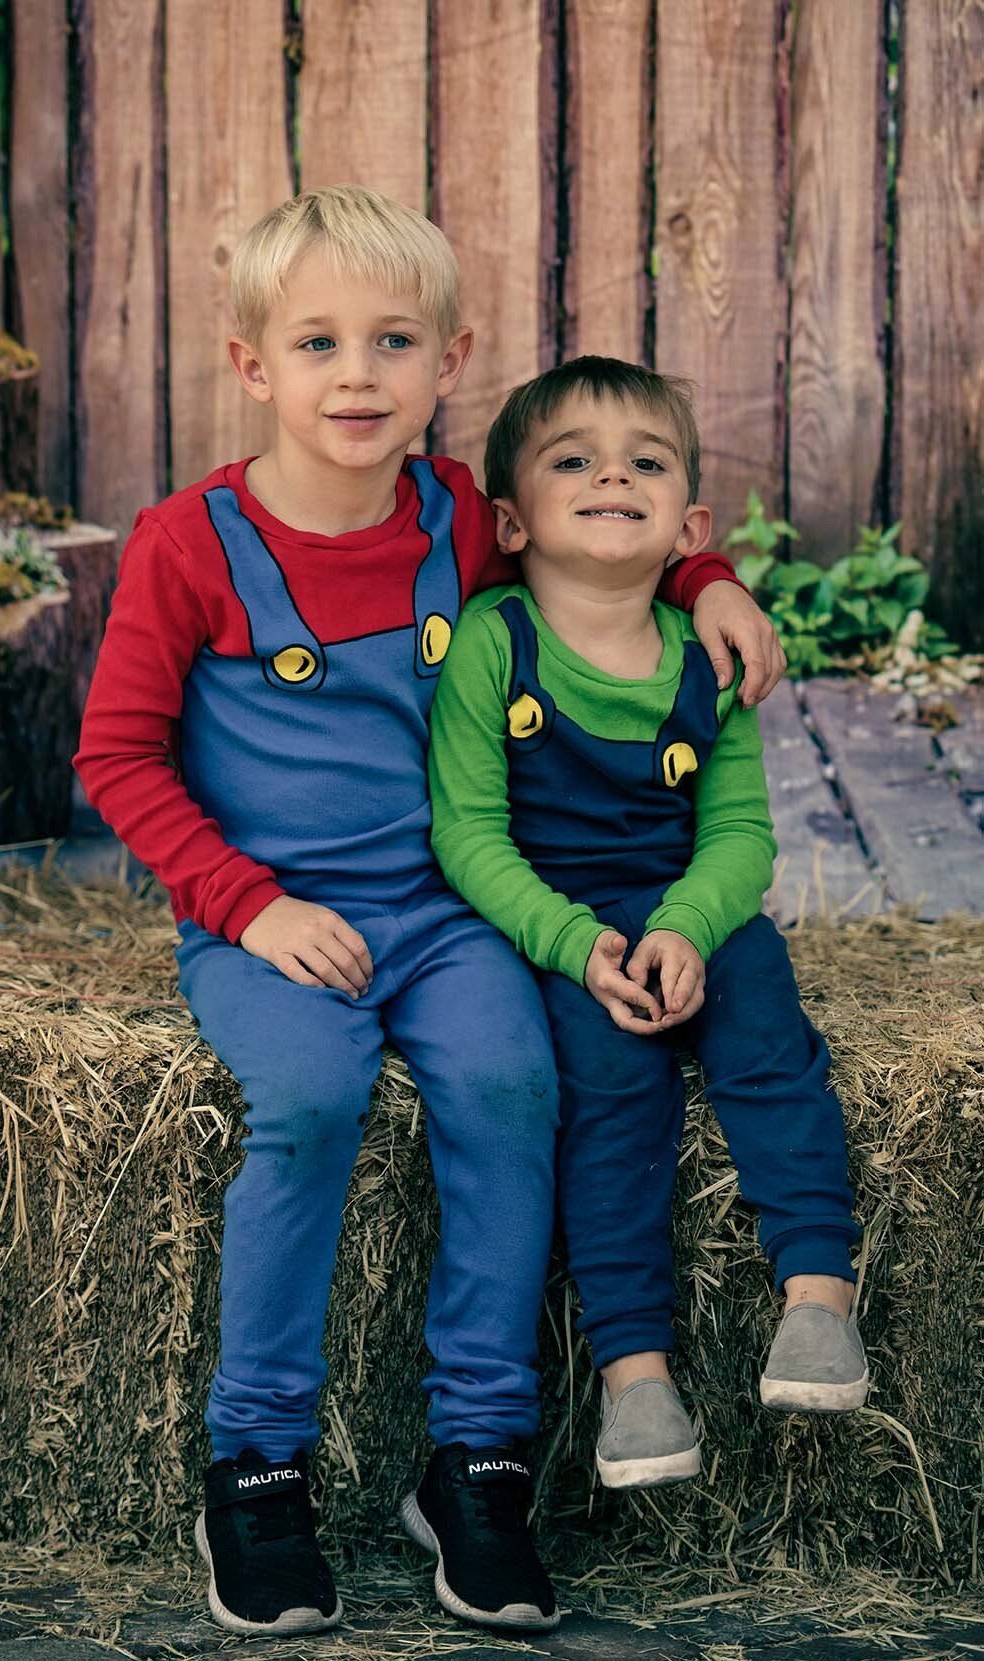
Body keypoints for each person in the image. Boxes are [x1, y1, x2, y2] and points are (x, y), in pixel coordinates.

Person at [75, 191, 784, 1636]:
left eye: (391, 341)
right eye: (319, 342)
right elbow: (114, 757)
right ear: (253, 364)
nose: (357, 374)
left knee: (514, 1082)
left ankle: (476, 1459)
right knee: (317, 1099)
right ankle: (256, 1463)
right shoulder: (190, 544)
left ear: (447, 361)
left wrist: (707, 575)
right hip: (268, 918)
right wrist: (247, 905)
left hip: (451, 906)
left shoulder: (460, 516)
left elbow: (603, 543)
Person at [428, 355, 867, 1496]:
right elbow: (469, 834)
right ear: (511, 520)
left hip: (688, 911)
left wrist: (685, 925)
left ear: (689, 522)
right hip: (565, 928)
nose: (611, 473)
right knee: (608, 1098)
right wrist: (577, 946)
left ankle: (816, 1298)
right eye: (572, 459)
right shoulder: (492, 641)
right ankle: (635, 1374)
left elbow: (739, 837)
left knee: (768, 1040)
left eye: (644, 461)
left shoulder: (705, 657)